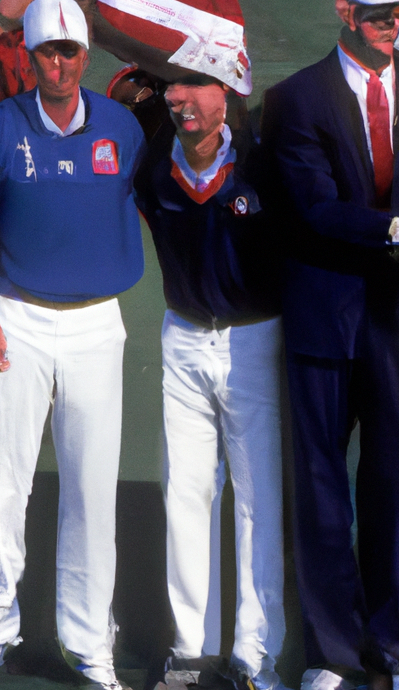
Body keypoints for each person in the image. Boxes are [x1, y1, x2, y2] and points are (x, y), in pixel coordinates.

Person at [260, 0, 399, 690]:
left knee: (395, 478)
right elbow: (315, 207)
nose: (391, 26)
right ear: (344, 13)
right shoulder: (293, 100)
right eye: (379, 14)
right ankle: (331, 651)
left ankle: (395, 644)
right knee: (321, 483)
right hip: (323, 310)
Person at [0, 0, 145, 690]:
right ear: (29, 58)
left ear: (85, 56)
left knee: (92, 489)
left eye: (70, 51)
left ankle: (89, 642)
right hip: (18, 320)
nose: (59, 63)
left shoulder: (123, 127)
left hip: (98, 324)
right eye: (46, 52)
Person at [132, 73, 285, 690]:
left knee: (257, 503)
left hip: (253, 339)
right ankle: (190, 651)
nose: (181, 100)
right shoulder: (151, 167)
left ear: (228, 96)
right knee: (186, 495)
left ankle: (255, 658)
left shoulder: (263, 165)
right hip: (184, 336)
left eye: (198, 87)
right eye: (175, 88)